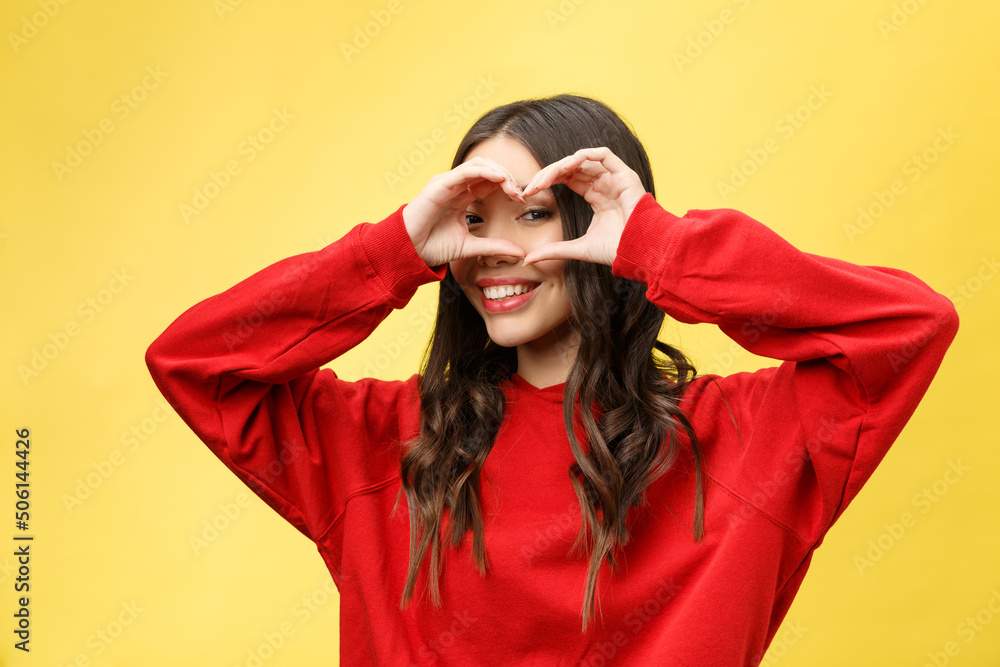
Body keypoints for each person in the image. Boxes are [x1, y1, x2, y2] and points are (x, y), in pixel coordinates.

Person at [145, 94, 959, 665]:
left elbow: (907, 326)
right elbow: (197, 361)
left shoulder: (744, 440)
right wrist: (391, 250)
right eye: (472, 216)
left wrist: (660, 244)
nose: (494, 248)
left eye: (532, 210)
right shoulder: (386, 445)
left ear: (602, 224)